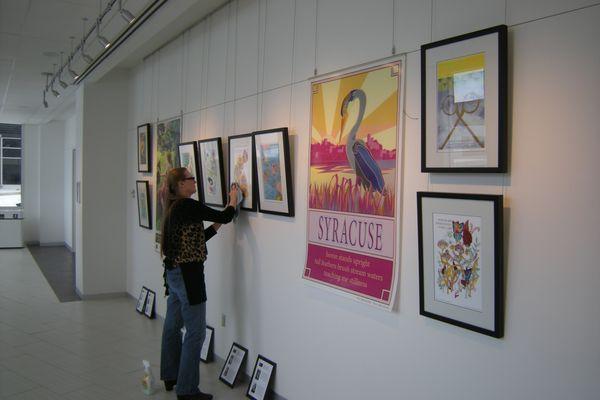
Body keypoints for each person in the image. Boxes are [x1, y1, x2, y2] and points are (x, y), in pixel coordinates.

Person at [160, 167, 238, 400]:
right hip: (188, 276)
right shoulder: (186, 205)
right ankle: (187, 390)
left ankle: (171, 376)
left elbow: (198, 238)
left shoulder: (177, 207)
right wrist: (233, 200)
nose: (194, 181)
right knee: (196, 332)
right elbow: (224, 215)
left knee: (172, 326)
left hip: (173, 273)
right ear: (180, 185)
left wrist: (217, 225)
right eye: (190, 178)